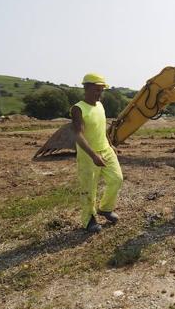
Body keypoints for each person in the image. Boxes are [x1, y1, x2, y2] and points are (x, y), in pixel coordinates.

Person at [71, 73, 123, 233]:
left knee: (117, 179)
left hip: (106, 149)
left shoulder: (100, 105)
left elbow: (102, 127)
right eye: (96, 90)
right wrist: (94, 155)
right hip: (88, 155)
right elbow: (77, 134)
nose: (99, 93)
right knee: (89, 188)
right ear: (86, 88)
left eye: (101, 90)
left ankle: (105, 208)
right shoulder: (78, 108)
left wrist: (110, 144)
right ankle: (89, 219)